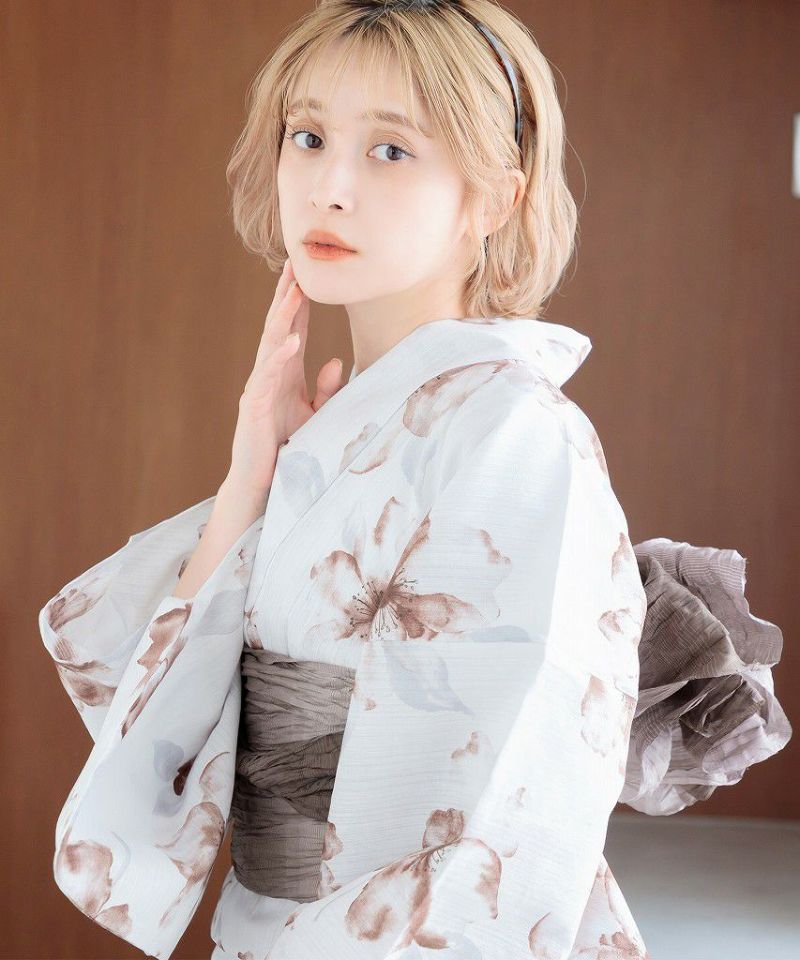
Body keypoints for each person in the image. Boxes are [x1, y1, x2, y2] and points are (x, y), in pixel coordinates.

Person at [38, 2, 792, 958]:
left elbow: (504, 799)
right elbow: (160, 734)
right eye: (308, 137)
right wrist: (248, 485)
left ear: (497, 198)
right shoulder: (335, 434)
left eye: (390, 150)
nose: (330, 188)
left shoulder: (519, 435)